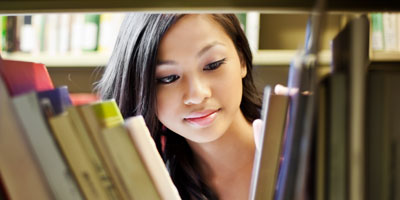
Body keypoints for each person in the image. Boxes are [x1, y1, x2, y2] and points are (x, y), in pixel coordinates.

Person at [96, 13, 263, 200]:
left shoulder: (294, 150)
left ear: (241, 60)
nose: (197, 95)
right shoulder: (151, 188)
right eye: (168, 78)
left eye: (213, 65)